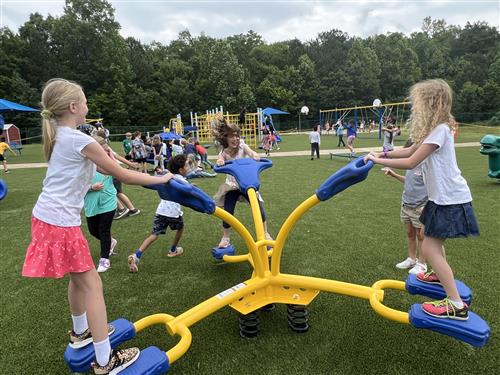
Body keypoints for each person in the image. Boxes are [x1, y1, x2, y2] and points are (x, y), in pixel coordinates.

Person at [22, 78, 174, 374]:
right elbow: (122, 176)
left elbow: (105, 166)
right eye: (86, 101)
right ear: (74, 107)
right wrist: (162, 180)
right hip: (59, 223)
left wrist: (129, 167)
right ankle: (106, 361)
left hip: (46, 219)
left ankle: (81, 333)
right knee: (93, 285)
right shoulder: (80, 139)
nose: (89, 106)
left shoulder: (61, 137)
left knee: (78, 280)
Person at [364, 79, 479, 320]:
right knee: (432, 244)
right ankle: (437, 276)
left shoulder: (440, 131)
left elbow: (410, 162)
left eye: (418, 104)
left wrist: (377, 161)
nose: (415, 109)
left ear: (430, 105)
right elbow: (407, 150)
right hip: (441, 199)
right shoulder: (433, 131)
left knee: (428, 246)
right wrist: (381, 151)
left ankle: (456, 306)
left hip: (450, 199)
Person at [213, 116, 272, 248]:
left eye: (237, 136)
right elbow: (219, 159)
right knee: (228, 212)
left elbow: (251, 153)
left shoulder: (242, 147)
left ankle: (266, 233)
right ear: (225, 139)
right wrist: (220, 161)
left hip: (247, 184)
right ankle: (226, 237)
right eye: (231, 137)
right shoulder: (224, 152)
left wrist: (255, 156)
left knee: (258, 207)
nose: (235, 139)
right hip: (232, 186)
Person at [128, 155, 188, 273]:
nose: (188, 168)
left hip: (161, 211)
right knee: (180, 228)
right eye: (187, 166)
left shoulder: (165, 178)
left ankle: (137, 255)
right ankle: (173, 250)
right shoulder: (182, 181)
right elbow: (188, 191)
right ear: (181, 170)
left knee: (154, 234)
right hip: (173, 213)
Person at [382, 139, 428, 275]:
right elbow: (409, 181)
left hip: (420, 207)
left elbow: (433, 188)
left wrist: (427, 206)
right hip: (406, 204)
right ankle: (411, 259)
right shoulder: (410, 165)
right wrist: (393, 174)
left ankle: (422, 264)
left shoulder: (425, 166)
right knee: (410, 233)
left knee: (422, 236)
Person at [84, 135, 119, 273]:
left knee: (104, 230)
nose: (103, 153)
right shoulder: (85, 162)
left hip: (108, 200)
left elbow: (117, 172)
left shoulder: (108, 160)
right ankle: (111, 241)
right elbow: (76, 185)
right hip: (91, 201)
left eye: (106, 150)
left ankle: (104, 259)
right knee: (93, 231)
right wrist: (91, 188)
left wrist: (110, 155)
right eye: (101, 150)